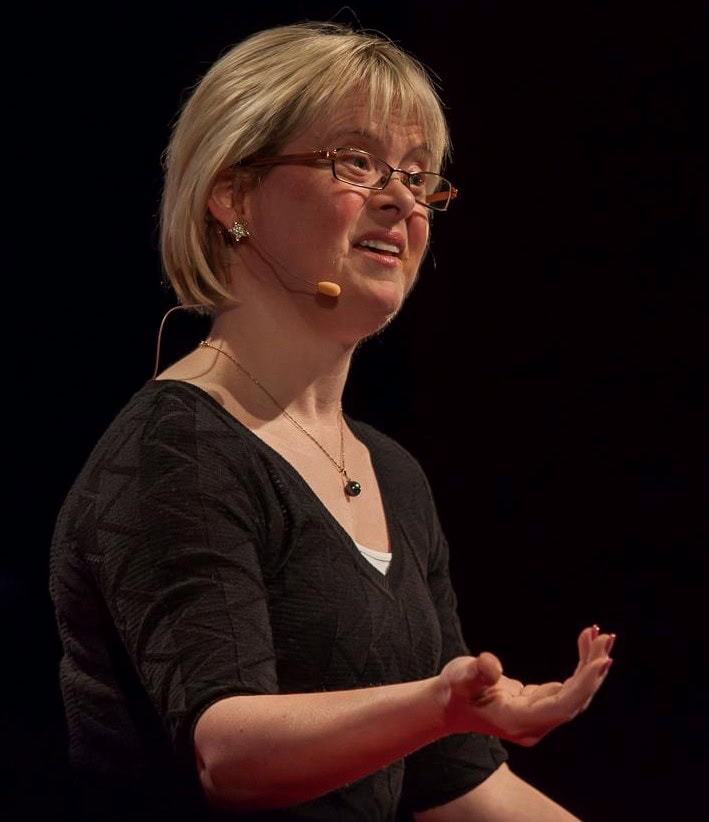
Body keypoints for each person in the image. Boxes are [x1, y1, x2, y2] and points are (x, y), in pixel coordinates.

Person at [49, 21, 616, 822]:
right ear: (232, 194)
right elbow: (230, 756)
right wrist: (436, 704)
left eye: (416, 176)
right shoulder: (177, 449)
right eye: (355, 161)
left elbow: (452, 782)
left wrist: (449, 714)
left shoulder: (392, 474)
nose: (400, 199)